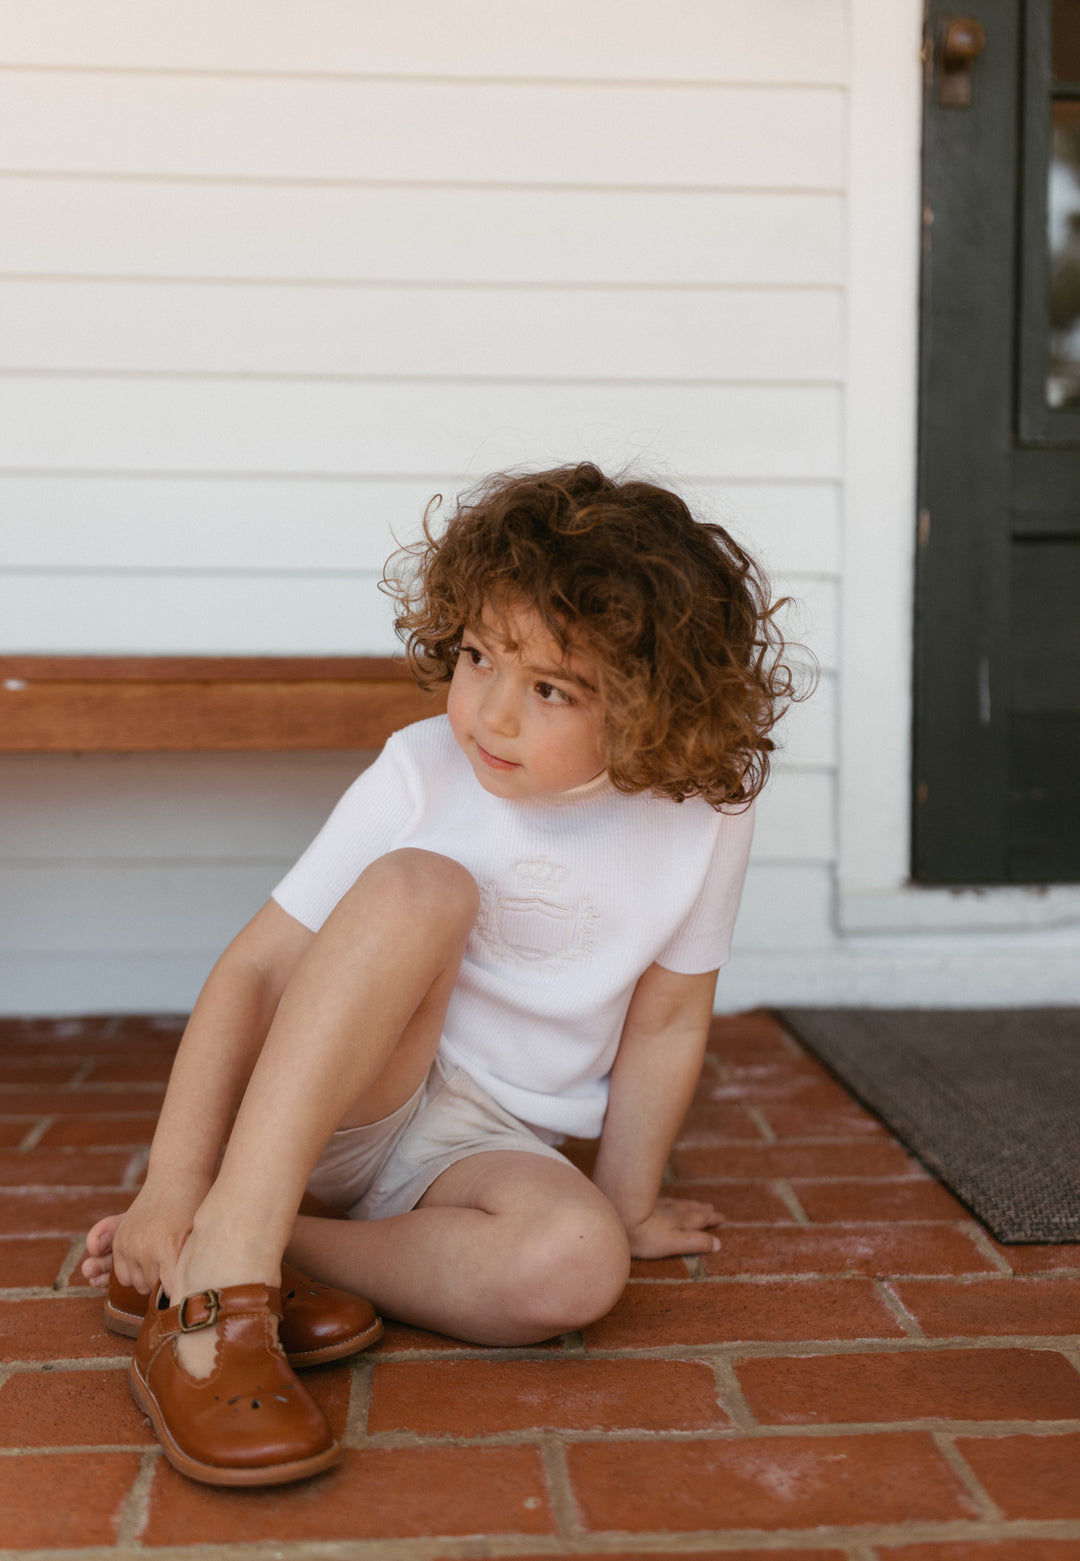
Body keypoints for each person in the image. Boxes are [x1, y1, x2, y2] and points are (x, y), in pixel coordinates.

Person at [82, 462, 795, 1487]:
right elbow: (253, 973)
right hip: (354, 1099)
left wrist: (629, 1204)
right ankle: (223, 1259)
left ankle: (283, 1244)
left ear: (655, 704)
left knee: (580, 1264)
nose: (490, 715)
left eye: (550, 687)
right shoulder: (422, 769)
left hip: (479, 1151)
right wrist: (171, 1180)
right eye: (476, 657)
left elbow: (671, 1015)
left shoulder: (706, 812)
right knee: (424, 888)